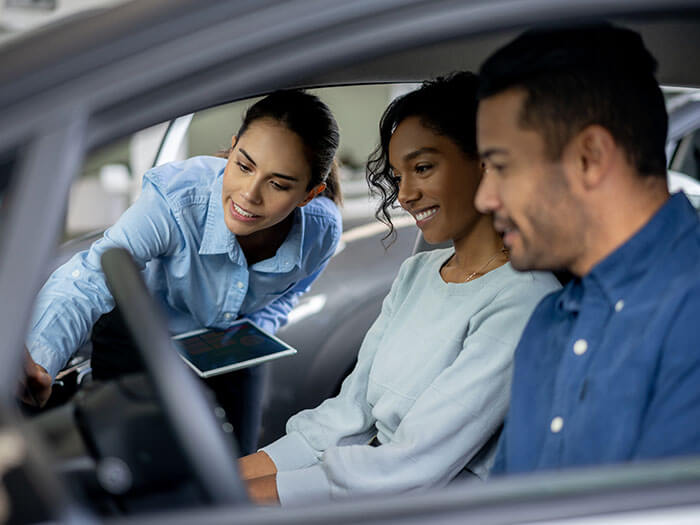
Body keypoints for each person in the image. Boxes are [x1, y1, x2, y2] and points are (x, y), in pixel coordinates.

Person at [238, 72, 560, 504]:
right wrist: (238, 474)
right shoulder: (419, 273)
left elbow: (411, 468)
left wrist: (252, 496)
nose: (405, 195)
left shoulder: (524, 299)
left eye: (423, 168)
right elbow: (348, 412)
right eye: (397, 175)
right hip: (371, 488)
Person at [21, 89, 343, 454]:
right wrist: (37, 359)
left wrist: (251, 336)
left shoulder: (322, 231)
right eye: (243, 166)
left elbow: (289, 294)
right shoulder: (174, 200)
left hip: (229, 348)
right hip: (139, 337)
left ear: (309, 193)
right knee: (132, 456)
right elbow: (90, 279)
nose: (249, 195)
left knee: (235, 463)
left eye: (278, 184)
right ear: (233, 147)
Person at [474, 24, 700, 474]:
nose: (484, 198)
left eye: (501, 166)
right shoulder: (547, 322)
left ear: (590, 158)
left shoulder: (689, 314)